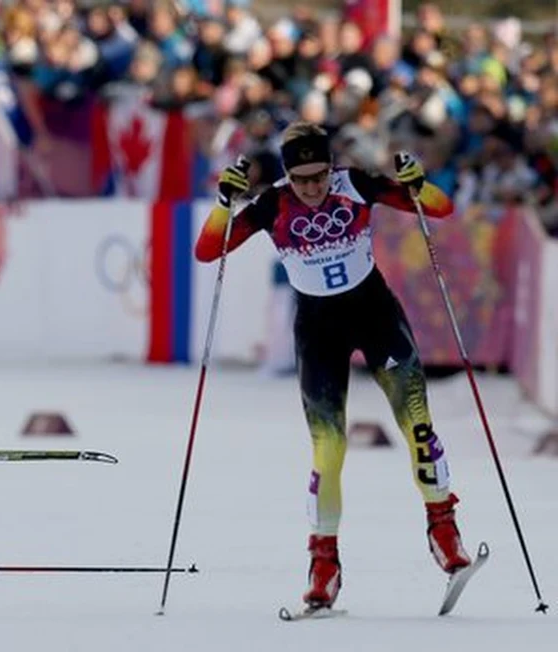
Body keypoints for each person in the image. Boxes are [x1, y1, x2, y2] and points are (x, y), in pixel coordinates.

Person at [194, 122, 471, 611]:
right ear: (287, 176)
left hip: (375, 316)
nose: (312, 188)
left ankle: (443, 530)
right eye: (301, 179)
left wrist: (417, 182)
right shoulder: (273, 204)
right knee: (329, 449)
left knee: (418, 427)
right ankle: (324, 564)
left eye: (319, 175)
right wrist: (224, 203)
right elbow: (206, 251)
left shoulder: (356, 184)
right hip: (319, 330)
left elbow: (440, 208)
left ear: (330, 166)